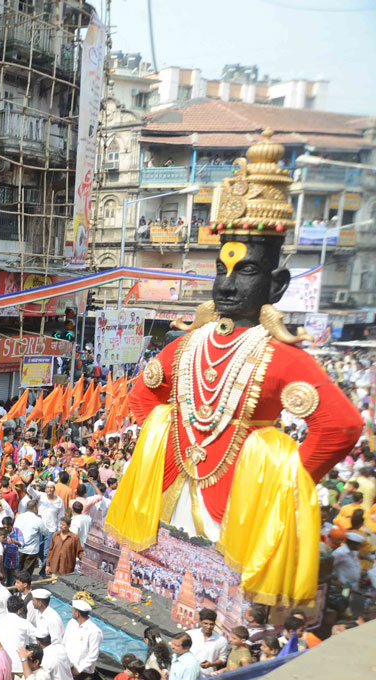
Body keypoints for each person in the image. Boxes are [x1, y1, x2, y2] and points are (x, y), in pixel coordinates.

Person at [105, 133, 362, 609]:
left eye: (244, 271)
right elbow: (142, 396)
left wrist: (278, 481)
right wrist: (166, 434)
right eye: (222, 270)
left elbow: (342, 426)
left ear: (276, 283)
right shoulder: (186, 344)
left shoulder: (284, 358)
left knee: (227, 611)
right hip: (175, 485)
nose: (226, 284)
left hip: (243, 505)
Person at [62, 599, 102, 680]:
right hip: (68, 667)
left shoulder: (94, 631)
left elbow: (93, 655)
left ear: (77, 613)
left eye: (73, 610)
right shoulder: (71, 623)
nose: (72, 612)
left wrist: (79, 669)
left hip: (83, 673)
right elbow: (64, 643)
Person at [187, 608, 229, 673]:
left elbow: (222, 659)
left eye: (211, 624)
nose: (208, 627)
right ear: (200, 622)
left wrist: (211, 664)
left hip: (207, 676)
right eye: (205, 623)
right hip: (189, 673)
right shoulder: (190, 635)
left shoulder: (221, 640)